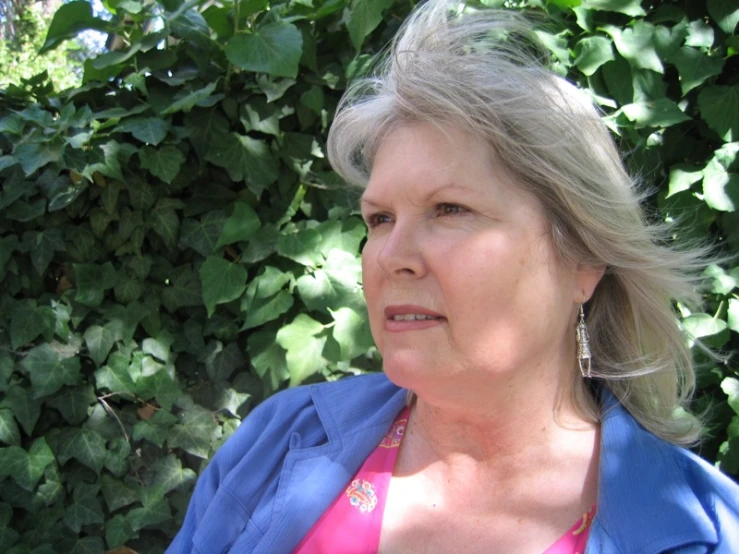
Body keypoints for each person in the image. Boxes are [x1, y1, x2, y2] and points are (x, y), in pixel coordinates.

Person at [167, 1, 739, 552]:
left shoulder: (704, 530)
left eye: (450, 210)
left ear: (584, 259)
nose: (392, 255)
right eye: (380, 218)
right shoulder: (279, 440)